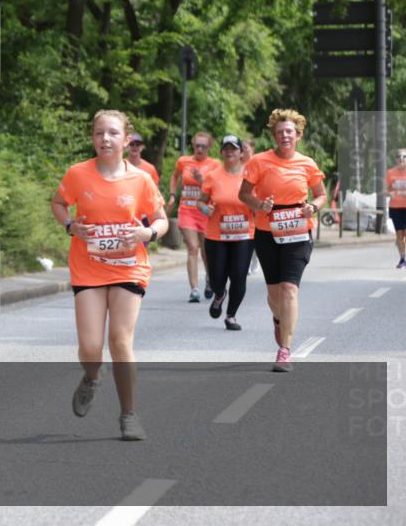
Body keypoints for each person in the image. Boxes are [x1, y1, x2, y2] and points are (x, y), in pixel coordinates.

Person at [51, 110, 168, 441]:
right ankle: (91, 377)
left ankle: (129, 414)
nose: (106, 138)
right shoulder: (77, 174)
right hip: (88, 266)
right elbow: (59, 203)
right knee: (90, 347)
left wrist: (148, 235)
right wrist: (72, 226)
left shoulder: (142, 180)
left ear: (126, 139)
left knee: (120, 340)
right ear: (92, 138)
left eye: (113, 133)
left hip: (129, 266)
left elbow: (161, 219)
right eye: (99, 133)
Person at [239, 109, 326, 372]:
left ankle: (284, 350)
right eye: (279, 132)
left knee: (289, 288)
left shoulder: (307, 164)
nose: (284, 135)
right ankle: (279, 318)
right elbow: (244, 194)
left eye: (289, 131)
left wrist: (314, 206)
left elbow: (321, 194)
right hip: (267, 232)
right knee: (274, 293)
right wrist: (259, 204)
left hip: (299, 232)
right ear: (274, 136)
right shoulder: (259, 162)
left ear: (298, 135)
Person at [197, 136, 255, 331]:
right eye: (226, 148)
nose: (230, 152)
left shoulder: (250, 175)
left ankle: (231, 316)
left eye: (234, 148)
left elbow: (258, 199)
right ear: (221, 152)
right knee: (217, 278)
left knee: (239, 276)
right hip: (216, 236)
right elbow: (201, 201)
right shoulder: (213, 176)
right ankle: (219, 295)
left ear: (241, 152)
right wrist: (206, 210)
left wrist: (258, 207)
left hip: (244, 235)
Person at [168, 131, 221, 302]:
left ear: (209, 148)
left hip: (205, 211)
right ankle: (194, 289)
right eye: (197, 145)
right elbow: (174, 176)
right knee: (192, 247)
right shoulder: (183, 161)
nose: (199, 149)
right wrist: (172, 194)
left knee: (206, 250)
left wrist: (202, 180)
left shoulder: (215, 164)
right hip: (187, 210)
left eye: (203, 146)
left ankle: (209, 279)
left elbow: (218, 185)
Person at [385, 148, 406, 268]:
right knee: (399, 234)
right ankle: (402, 259)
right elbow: (386, 190)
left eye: (404, 156)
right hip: (395, 207)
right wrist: (390, 193)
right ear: (396, 160)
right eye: (399, 157)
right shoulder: (391, 173)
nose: (401, 159)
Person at [241, 139, 259, 275]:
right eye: (242, 148)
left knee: (255, 235)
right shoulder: (239, 165)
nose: (244, 151)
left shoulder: (256, 163)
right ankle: (245, 262)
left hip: (256, 202)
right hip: (243, 203)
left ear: (252, 149)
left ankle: (255, 259)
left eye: (246, 148)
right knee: (246, 234)